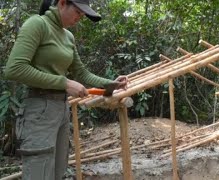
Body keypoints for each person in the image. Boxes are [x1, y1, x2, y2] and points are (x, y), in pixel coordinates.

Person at [4, 0, 128, 179]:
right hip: (39, 109)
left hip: (61, 109)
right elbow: (14, 69)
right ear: (62, 3)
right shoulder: (37, 24)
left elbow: (82, 73)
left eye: (82, 15)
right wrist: (65, 83)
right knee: (39, 172)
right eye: (78, 12)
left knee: (57, 171)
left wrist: (110, 84)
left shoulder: (68, 36)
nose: (80, 18)